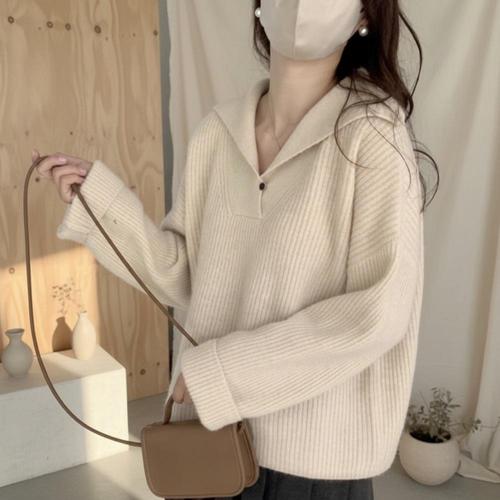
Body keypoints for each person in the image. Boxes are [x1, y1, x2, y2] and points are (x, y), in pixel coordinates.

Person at [36, 0, 438, 498]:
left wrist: (223, 373)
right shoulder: (217, 133)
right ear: (260, 6)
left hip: (314, 463)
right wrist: (101, 202)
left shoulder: (374, 134)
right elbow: (185, 275)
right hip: (209, 441)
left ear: (363, 17)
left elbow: (376, 314)